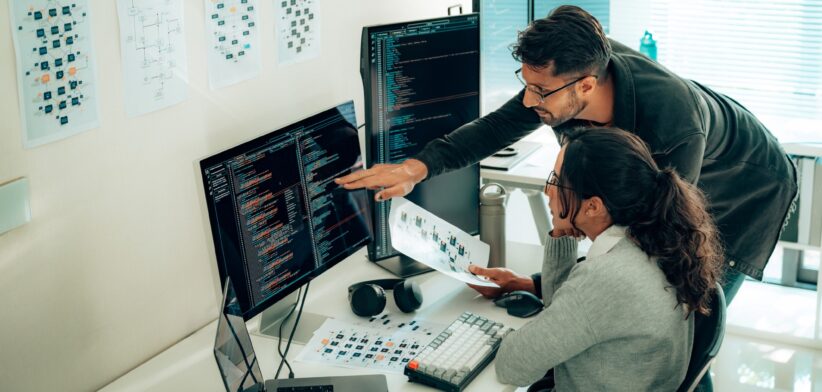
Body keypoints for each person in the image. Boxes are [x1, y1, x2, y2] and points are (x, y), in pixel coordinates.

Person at [337, 5, 796, 307]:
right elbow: (497, 126)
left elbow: (650, 240)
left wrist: (541, 284)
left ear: (587, 86)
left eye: (539, 90)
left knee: (684, 312)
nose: (530, 99)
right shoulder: (569, 74)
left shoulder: (671, 128)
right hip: (694, 165)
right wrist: (416, 168)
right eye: (526, 83)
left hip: (747, 185)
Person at [477, 127, 723, 390]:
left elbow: (512, 366)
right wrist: (562, 232)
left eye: (556, 181)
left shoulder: (606, 277)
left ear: (593, 206)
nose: (547, 190)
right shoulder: (658, 242)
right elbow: (562, 307)